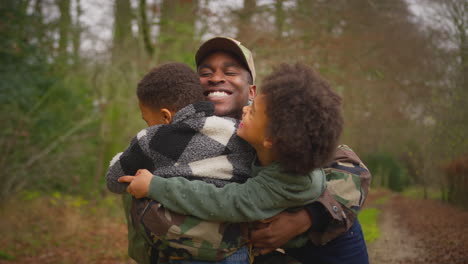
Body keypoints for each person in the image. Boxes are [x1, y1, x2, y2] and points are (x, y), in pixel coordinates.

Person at [118, 37, 370, 263]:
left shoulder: (277, 125)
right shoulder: (167, 141)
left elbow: (351, 168)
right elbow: (145, 210)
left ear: (252, 92)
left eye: (230, 71)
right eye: (205, 73)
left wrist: (307, 217)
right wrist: (242, 231)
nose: (216, 77)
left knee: (343, 223)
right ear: (193, 91)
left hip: (313, 244)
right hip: (235, 250)